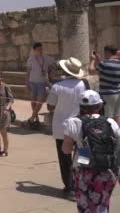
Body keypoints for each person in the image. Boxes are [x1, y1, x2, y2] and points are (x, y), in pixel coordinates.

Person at [62, 90, 120, 212]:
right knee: (102, 204)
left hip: (84, 167)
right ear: (99, 106)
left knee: (85, 204)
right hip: (107, 168)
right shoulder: (110, 122)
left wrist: (79, 144)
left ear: (81, 107)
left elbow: (66, 150)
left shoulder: (73, 122)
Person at [47, 57, 88, 195]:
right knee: (83, 154)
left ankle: (69, 186)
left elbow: (50, 106)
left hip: (61, 126)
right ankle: (83, 181)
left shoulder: (57, 86)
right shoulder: (83, 85)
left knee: (64, 157)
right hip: (80, 124)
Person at [26, 42, 56, 126]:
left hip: (42, 83)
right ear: (34, 50)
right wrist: (26, 83)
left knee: (39, 102)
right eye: (38, 49)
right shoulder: (31, 59)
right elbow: (28, 72)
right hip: (32, 82)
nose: (40, 50)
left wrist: (52, 70)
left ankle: (32, 118)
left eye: (41, 49)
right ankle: (36, 118)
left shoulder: (46, 58)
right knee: (33, 102)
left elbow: (55, 64)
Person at [88, 45, 120, 124]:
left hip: (107, 94)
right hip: (118, 93)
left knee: (108, 117)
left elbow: (91, 71)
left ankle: (109, 134)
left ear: (107, 52)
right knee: (117, 116)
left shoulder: (104, 64)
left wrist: (92, 60)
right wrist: (98, 61)